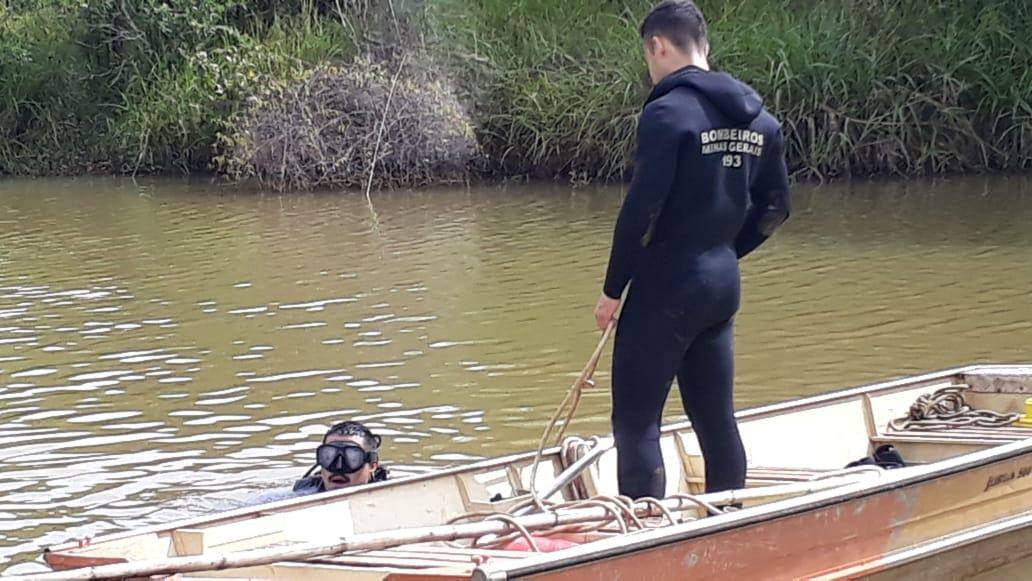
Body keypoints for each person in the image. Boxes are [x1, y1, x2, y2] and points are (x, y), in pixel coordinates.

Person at [593, 0, 791, 499]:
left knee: (637, 422)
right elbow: (776, 209)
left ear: (658, 46)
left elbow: (641, 211)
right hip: (721, 284)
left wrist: (613, 290)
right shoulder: (761, 121)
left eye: (649, 55)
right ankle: (727, 522)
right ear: (704, 45)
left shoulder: (666, 113)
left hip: (668, 284)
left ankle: (643, 541)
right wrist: (724, 252)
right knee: (715, 418)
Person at [291, 420, 389, 495]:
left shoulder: (391, 492)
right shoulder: (303, 491)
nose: (338, 467)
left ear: (372, 465)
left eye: (352, 458)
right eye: (329, 457)